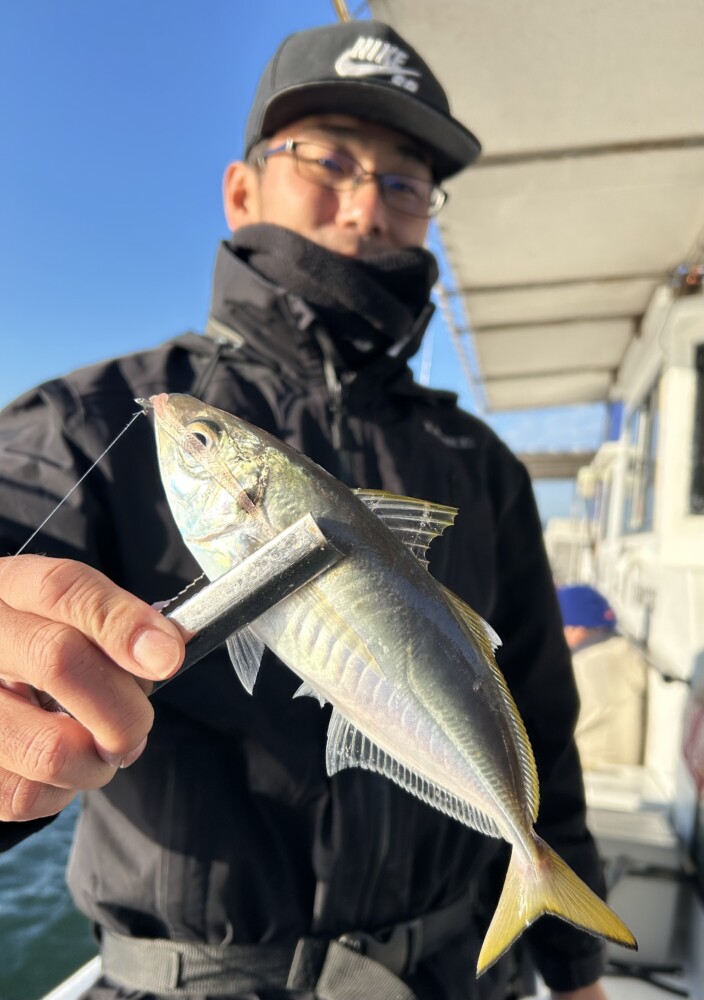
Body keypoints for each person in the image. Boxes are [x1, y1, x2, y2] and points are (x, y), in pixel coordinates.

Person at [0, 19, 611, 1000]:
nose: (364, 204)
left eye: (402, 180)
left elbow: (538, 711)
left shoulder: (479, 464)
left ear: (425, 216)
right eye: (326, 158)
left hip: (453, 978)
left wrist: (575, 973)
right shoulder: (85, 419)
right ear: (242, 189)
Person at [557, 584, 648, 772]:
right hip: (618, 775)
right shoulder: (623, 656)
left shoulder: (581, 670)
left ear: (576, 629)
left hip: (592, 778)